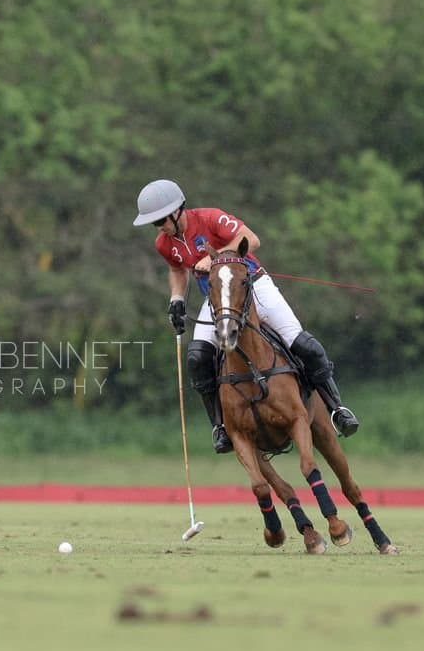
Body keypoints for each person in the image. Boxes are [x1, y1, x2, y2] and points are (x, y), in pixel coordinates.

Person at [133, 179, 358, 454]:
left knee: (301, 342)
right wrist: (176, 299)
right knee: (197, 358)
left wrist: (216, 258)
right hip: (218, 300)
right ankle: (219, 426)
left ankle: (337, 409)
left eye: (160, 220)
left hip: (254, 285)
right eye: (154, 224)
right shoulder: (163, 244)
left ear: (177, 210)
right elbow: (177, 270)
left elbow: (251, 239)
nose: (159, 227)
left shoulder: (210, 217)